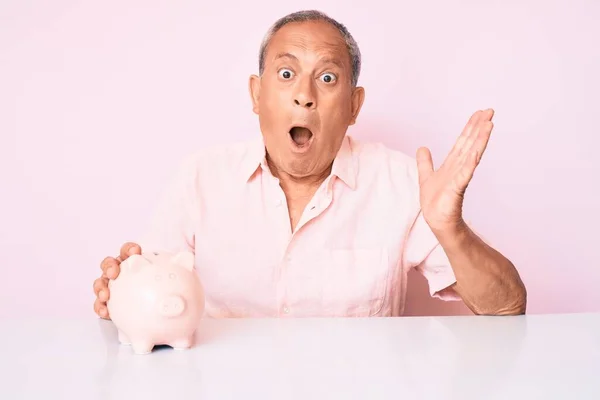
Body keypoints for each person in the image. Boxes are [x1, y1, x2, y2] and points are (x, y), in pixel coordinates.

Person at [93, 10, 526, 319]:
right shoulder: (199, 179)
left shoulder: (402, 183)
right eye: (286, 75)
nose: (305, 95)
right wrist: (125, 295)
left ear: (355, 105)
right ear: (255, 95)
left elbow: (507, 306)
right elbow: (150, 297)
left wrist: (451, 229)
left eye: (327, 77)